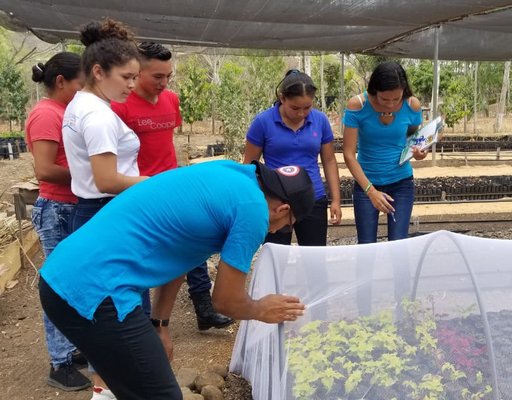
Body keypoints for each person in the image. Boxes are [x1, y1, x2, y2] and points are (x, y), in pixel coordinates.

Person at [39, 160, 314, 400]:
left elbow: (181, 251)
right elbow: (225, 301)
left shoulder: (231, 174)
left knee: (121, 382)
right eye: (288, 223)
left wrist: (161, 324)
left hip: (64, 275)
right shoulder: (253, 210)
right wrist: (260, 309)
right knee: (161, 395)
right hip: (96, 291)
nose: (280, 229)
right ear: (282, 209)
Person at [111, 41, 232, 331]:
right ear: (137, 72)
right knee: (144, 255)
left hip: (172, 186)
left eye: (168, 76)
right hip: (138, 192)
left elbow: (169, 142)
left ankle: (204, 307)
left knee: (193, 244)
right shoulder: (119, 106)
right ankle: (140, 323)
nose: (164, 83)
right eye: (157, 77)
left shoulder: (171, 100)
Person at [61, 18, 144, 400]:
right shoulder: (96, 115)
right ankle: (114, 391)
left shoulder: (84, 105)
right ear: (98, 71)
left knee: (105, 309)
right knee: (122, 313)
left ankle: (106, 388)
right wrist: (159, 185)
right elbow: (107, 179)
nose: (132, 84)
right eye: (126, 77)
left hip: (93, 212)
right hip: (106, 213)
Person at [24, 52, 91, 392]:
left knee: (74, 282)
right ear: (61, 82)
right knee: (60, 286)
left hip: (72, 206)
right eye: (81, 84)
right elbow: (45, 169)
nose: (84, 91)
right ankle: (59, 362)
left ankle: (73, 348)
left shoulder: (67, 111)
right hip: (57, 209)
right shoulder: (46, 114)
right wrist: (90, 177)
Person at [243, 69, 342, 245]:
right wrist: (254, 203)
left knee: (314, 258)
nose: (301, 113)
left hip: (313, 198)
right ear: (282, 98)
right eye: (295, 108)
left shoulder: (320, 121)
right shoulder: (263, 122)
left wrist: (336, 199)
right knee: (277, 258)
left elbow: (329, 160)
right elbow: (250, 166)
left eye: (307, 108)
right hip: (276, 202)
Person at [343, 60, 427, 244]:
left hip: (401, 183)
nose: (390, 104)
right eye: (384, 99)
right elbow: (348, 154)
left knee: (399, 244)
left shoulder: (412, 105)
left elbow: (412, 141)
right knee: (366, 246)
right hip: (367, 184)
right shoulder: (358, 106)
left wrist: (418, 152)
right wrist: (370, 191)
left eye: (396, 99)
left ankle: (398, 275)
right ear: (374, 91)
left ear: (404, 91)